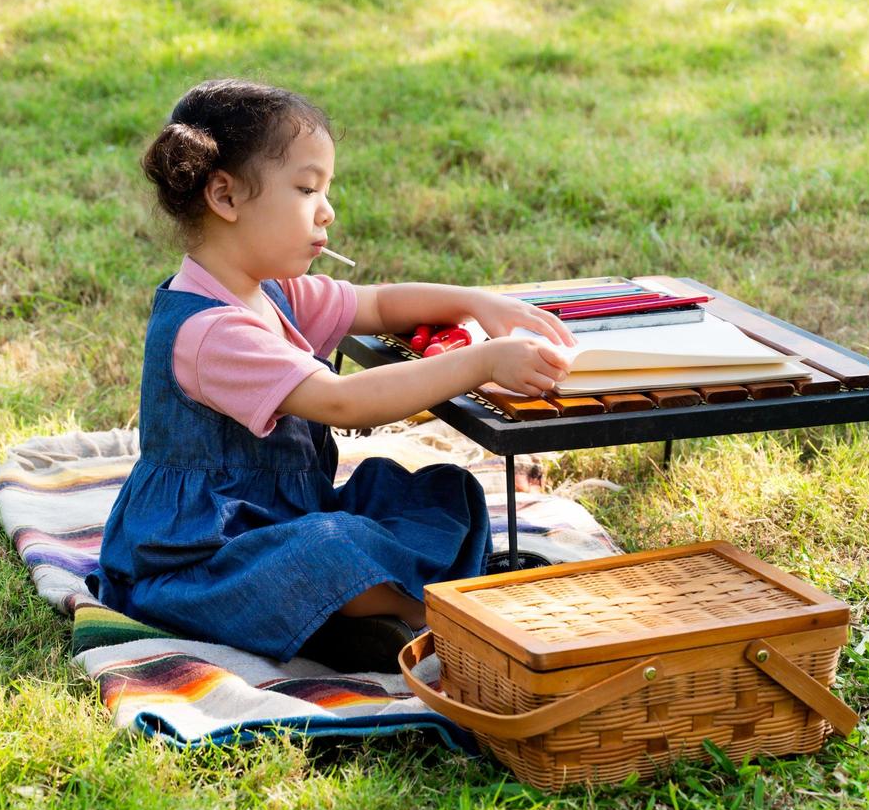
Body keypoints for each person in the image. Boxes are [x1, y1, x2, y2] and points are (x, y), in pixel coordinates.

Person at [89, 78, 575, 673]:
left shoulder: (271, 291)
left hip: (286, 517)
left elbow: (374, 305)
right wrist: (480, 362)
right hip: (200, 557)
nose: (328, 210)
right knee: (328, 553)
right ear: (226, 196)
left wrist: (475, 302)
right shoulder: (210, 331)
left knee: (438, 493)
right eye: (306, 188)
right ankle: (429, 616)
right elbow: (344, 402)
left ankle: (366, 620)